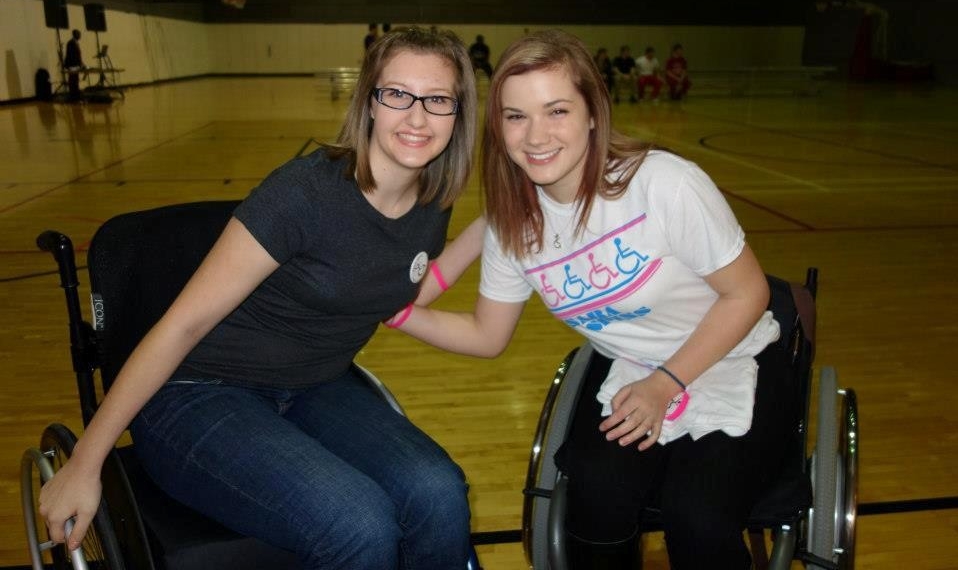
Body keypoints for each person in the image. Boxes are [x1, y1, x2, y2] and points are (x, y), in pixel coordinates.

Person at [38, 26, 481, 570]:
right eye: (397, 94)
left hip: (315, 385)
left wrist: (491, 227)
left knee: (439, 493)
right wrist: (86, 460)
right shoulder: (303, 195)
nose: (417, 117)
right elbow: (183, 325)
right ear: (369, 102)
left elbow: (399, 282)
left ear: (459, 114)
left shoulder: (432, 204)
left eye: (437, 100)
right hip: (199, 395)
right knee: (358, 524)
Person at [388, 29, 780, 569]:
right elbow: (486, 335)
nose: (535, 135)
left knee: (699, 518)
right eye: (516, 115)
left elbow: (749, 293)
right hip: (634, 371)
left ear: (593, 113)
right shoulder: (512, 227)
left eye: (556, 111)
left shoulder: (662, 185)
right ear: (498, 127)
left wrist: (666, 383)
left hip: (733, 354)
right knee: (594, 503)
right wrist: (402, 313)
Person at [63, 29, 85, 101]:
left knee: (75, 79)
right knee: (72, 79)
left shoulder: (75, 42)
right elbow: (71, 55)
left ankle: (76, 93)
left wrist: (81, 63)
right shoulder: (71, 43)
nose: (80, 36)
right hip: (72, 65)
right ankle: (73, 94)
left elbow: (78, 55)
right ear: (75, 34)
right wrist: (78, 64)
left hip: (75, 65)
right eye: (79, 34)